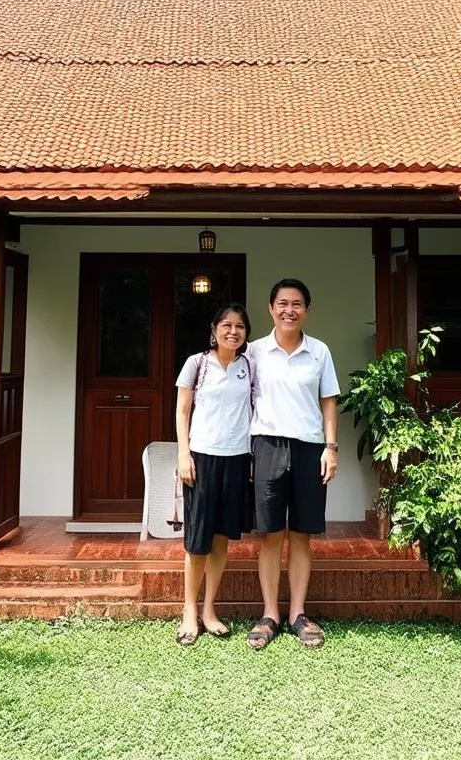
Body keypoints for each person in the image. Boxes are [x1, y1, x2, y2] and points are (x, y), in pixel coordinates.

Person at [247, 278, 340, 650]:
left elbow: (329, 401)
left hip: (309, 448)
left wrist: (330, 447)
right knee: (270, 535)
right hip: (265, 446)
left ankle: (297, 613)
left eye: (297, 304)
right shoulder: (253, 352)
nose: (289, 310)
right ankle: (270, 613)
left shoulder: (319, 352)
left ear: (306, 310)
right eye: (282, 303)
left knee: (301, 534)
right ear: (271, 308)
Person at [174, 302, 254, 646]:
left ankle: (209, 610)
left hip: (236, 458)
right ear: (214, 328)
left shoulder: (249, 366)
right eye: (226, 325)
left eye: (239, 326)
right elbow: (182, 410)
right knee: (197, 540)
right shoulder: (197, 364)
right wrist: (183, 453)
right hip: (202, 458)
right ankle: (189, 610)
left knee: (221, 537)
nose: (233, 331)